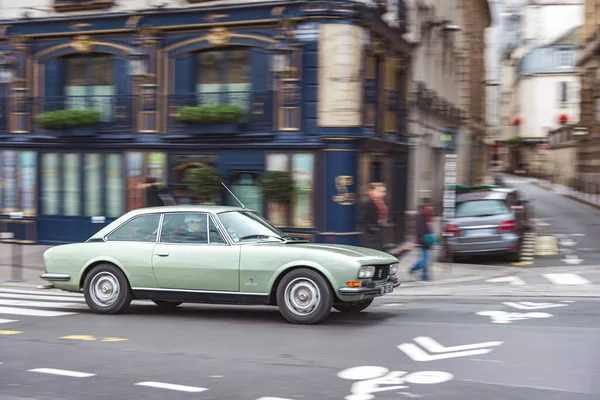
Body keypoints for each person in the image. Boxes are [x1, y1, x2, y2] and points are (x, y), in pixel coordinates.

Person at [409, 201, 435, 281]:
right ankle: (414, 268)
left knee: (425, 258)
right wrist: (421, 240)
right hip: (423, 241)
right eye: (430, 206)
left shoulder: (428, 216)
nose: (432, 208)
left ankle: (424, 275)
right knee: (425, 259)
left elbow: (429, 229)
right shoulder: (421, 216)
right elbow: (419, 230)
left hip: (427, 240)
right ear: (425, 207)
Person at [360, 182, 389, 251]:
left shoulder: (380, 202)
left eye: (384, 191)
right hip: (370, 234)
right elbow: (363, 218)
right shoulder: (367, 202)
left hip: (378, 233)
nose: (383, 194)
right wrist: (373, 228)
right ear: (371, 191)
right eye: (380, 191)